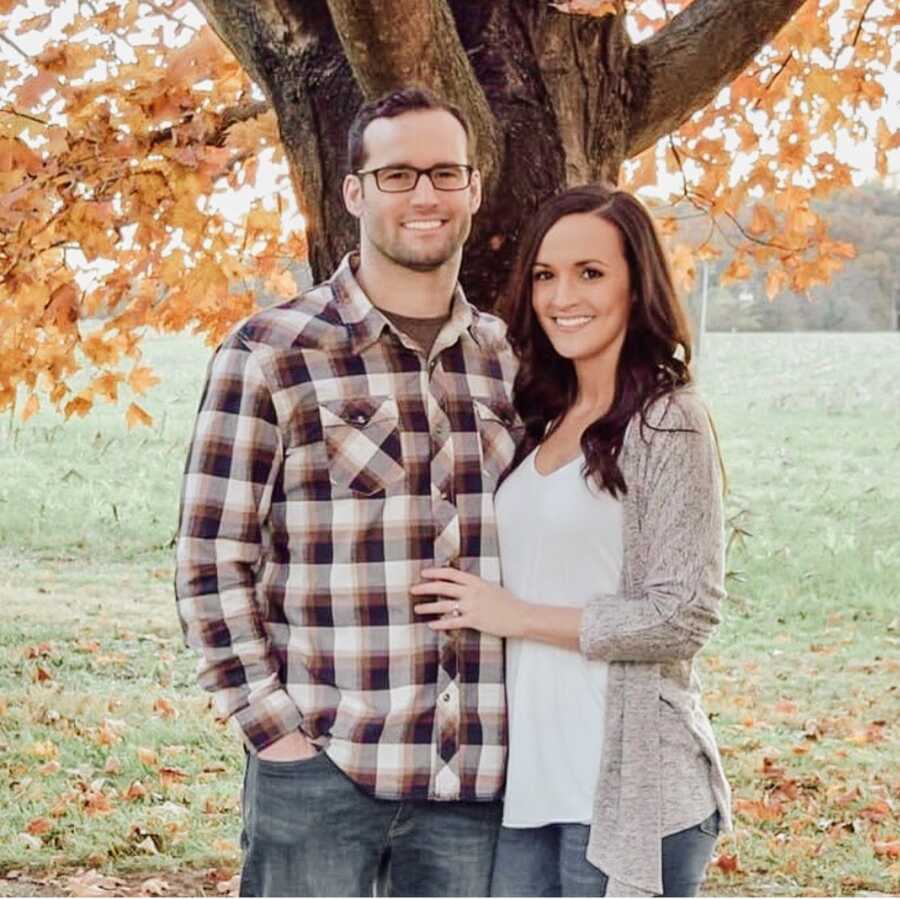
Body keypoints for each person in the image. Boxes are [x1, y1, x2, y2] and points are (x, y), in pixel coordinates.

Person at [175, 87, 521, 897]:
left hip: (477, 783)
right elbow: (210, 558)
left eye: (445, 172)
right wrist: (274, 732)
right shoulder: (272, 352)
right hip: (323, 767)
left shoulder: (508, 361)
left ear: (474, 189)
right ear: (355, 191)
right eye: (397, 174)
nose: (425, 195)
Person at [412, 185, 733, 897]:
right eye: (546, 275)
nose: (564, 295)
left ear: (635, 283)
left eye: (591, 272)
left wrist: (512, 615)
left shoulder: (667, 422)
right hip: (528, 787)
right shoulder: (541, 417)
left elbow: (683, 613)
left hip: (626, 786)